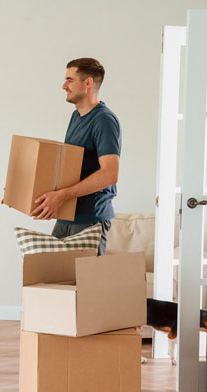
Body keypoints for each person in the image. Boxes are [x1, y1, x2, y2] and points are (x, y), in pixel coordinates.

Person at [30, 58, 121, 256]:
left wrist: (62, 195)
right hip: (67, 216)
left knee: (87, 285)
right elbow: (69, 168)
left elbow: (110, 174)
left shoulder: (104, 120)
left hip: (89, 219)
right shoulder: (77, 116)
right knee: (56, 282)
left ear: (88, 83)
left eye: (69, 80)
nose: (64, 86)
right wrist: (26, 187)